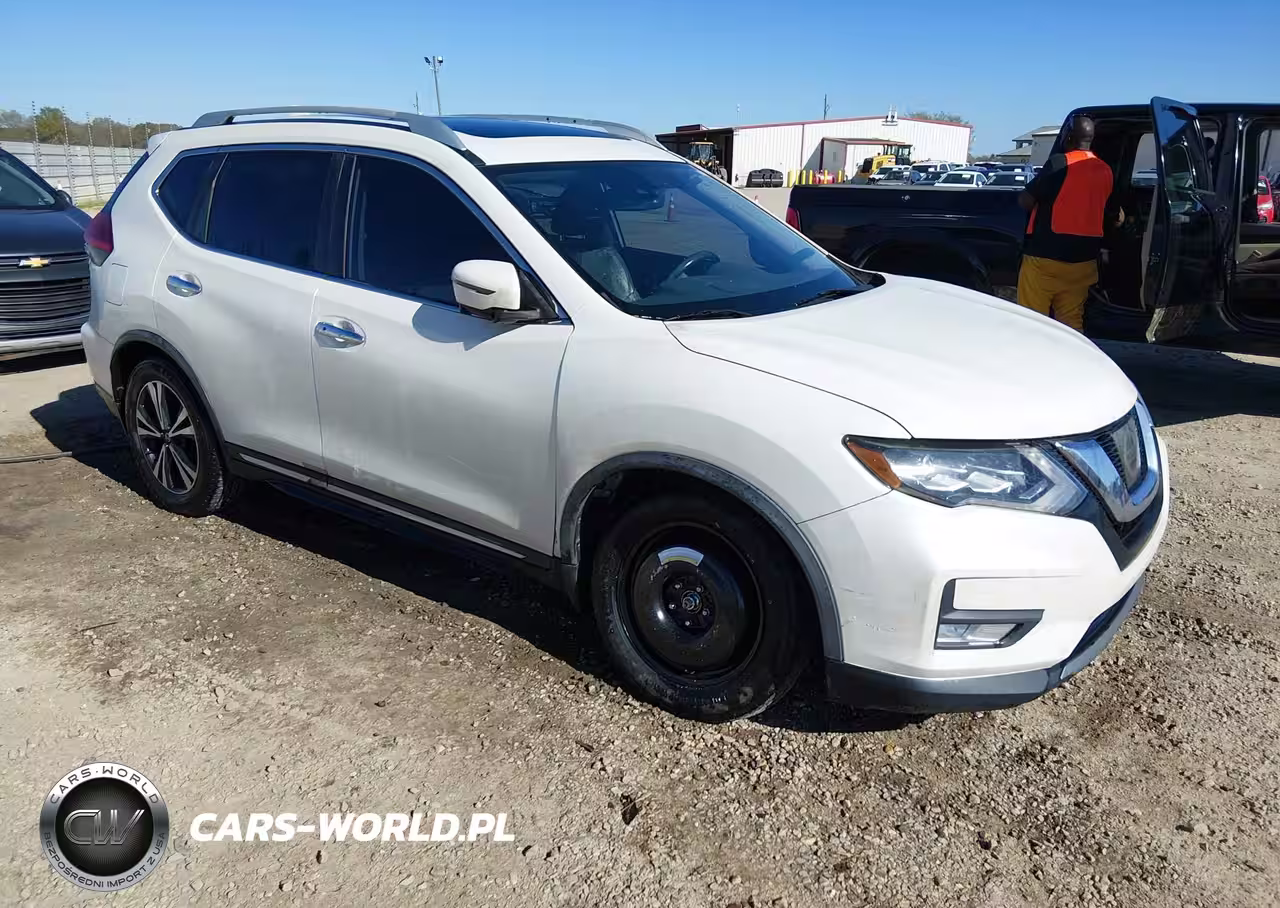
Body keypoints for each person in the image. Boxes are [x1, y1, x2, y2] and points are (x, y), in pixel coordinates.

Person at [1015, 116, 1121, 332]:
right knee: (1071, 320)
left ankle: (1030, 359)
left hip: (1046, 257)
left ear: (1069, 137)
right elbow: (1116, 216)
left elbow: (1026, 200)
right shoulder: (1105, 170)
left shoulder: (1059, 162)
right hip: (1083, 261)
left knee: (1032, 320)